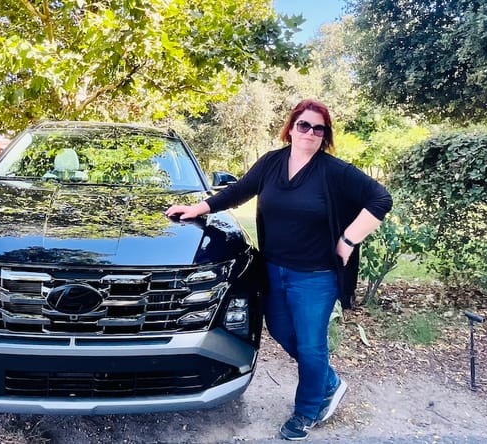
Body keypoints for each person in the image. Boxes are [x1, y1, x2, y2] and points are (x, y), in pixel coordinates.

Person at [165, 99, 392, 441]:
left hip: (316, 276)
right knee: (282, 332)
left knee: (312, 345)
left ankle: (307, 412)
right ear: (291, 128)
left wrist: (348, 239)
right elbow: (240, 191)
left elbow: (380, 199)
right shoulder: (272, 162)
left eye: (319, 128)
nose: (311, 133)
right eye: (304, 125)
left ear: (325, 135)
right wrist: (197, 207)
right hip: (273, 270)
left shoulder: (334, 171)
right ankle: (329, 383)